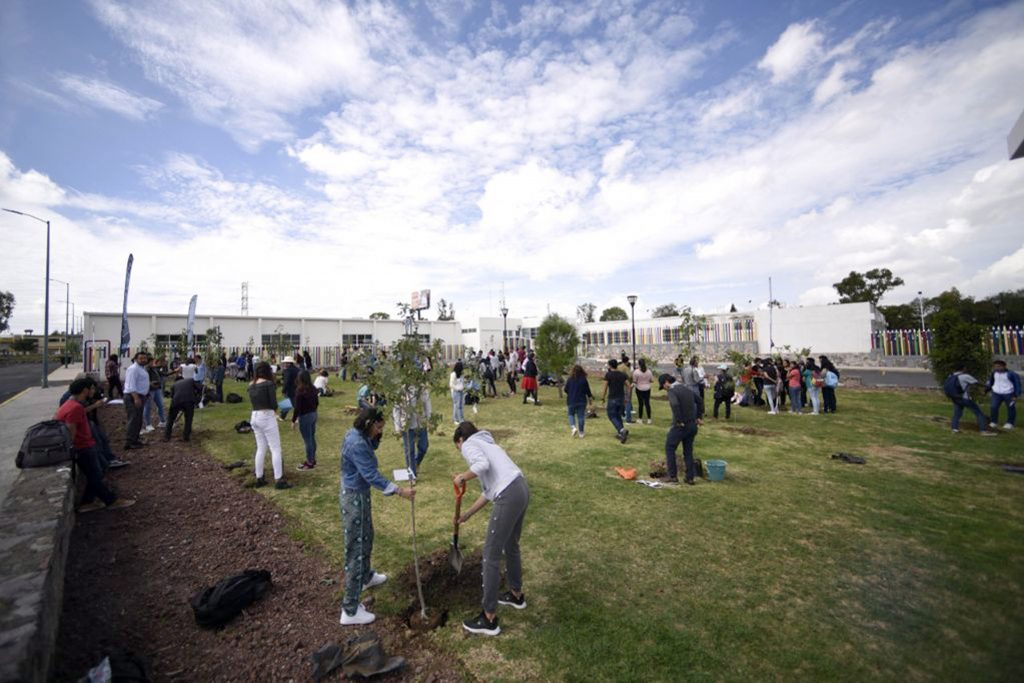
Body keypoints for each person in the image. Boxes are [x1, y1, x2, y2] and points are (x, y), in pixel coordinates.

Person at [452, 421, 530, 636]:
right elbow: (489, 491)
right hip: (520, 488)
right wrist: (467, 514)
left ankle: (488, 618)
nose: (461, 452)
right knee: (510, 545)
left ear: (460, 440)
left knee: (490, 555)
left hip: (508, 494)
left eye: (458, 448)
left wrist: (461, 477)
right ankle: (516, 595)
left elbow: (480, 466)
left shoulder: (469, 444)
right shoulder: (489, 444)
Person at [339, 407, 416, 626]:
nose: (380, 431)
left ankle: (365, 577)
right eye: (379, 427)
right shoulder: (357, 444)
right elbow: (371, 475)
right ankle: (350, 610)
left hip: (358, 493)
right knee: (357, 548)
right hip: (355, 498)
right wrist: (401, 492)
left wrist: (377, 436)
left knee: (367, 536)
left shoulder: (358, 435)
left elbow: (371, 448)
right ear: (369, 424)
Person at [56, 378, 135, 512]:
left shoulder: (72, 404)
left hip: (87, 445)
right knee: (96, 475)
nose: (94, 391)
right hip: (83, 447)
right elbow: (71, 432)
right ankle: (111, 500)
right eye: (92, 388)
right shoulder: (75, 408)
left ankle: (87, 502)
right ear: (85, 390)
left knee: (98, 471)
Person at [248, 361, 294, 488]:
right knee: (275, 448)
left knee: (261, 448)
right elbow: (273, 404)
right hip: (266, 416)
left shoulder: (251, 384)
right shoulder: (268, 384)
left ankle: (259, 477)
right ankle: (278, 479)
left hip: (255, 415)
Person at [659, 373, 703, 485]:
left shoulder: (672, 391)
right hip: (692, 425)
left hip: (681, 426)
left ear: (666, 382)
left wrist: (678, 420)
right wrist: (699, 417)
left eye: (663, 386)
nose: (664, 389)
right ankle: (690, 477)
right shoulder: (686, 388)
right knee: (688, 451)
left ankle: (672, 476)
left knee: (669, 447)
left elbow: (674, 404)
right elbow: (699, 401)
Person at [944, 365, 996, 436]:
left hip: (955, 398)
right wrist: (987, 386)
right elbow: (976, 383)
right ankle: (983, 430)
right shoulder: (965, 376)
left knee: (957, 414)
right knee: (978, 413)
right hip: (964, 398)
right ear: (964, 368)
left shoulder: (950, 376)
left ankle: (954, 429)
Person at [393, 384, 432, 475]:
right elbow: (396, 410)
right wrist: (397, 427)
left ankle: (416, 462)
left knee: (424, 447)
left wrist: (429, 419)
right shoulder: (401, 391)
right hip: (407, 426)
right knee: (409, 450)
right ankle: (412, 474)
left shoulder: (422, 389)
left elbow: (427, 404)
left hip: (420, 424)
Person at [292, 370, 319, 470]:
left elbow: (297, 407)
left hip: (305, 416)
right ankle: (313, 458)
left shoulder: (300, 391)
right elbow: (317, 403)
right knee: (311, 437)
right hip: (313, 414)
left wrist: (293, 420)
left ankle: (309, 462)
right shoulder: (313, 389)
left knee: (307, 439)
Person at [123, 351, 150, 450]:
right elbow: (131, 385)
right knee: (134, 419)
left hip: (140, 396)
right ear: (135, 359)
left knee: (138, 419)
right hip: (133, 396)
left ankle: (135, 438)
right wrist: (136, 398)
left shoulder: (141, 368)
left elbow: (139, 382)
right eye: (141, 358)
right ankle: (130, 442)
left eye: (145, 358)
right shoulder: (133, 369)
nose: (143, 360)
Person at [601, 359, 630, 443]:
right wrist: (627, 397)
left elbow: (605, 387)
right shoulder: (622, 375)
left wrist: (603, 398)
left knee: (611, 415)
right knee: (618, 415)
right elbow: (628, 385)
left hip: (612, 398)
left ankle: (621, 430)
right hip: (621, 398)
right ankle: (621, 433)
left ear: (610, 366)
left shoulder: (608, 375)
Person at [985, 360, 1020, 430]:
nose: (996, 368)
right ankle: (993, 422)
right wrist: (986, 390)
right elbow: (991, 382)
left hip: (1009, 393)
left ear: (1004, 366)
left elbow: (1017, 384)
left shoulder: (1012, 374)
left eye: (998, 366)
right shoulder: (994, 373)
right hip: (996, 393)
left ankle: (1010, 423)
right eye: (995, 367)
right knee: (993, 407)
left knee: (1010, 408)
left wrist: (1015, 395)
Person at [563, 364, 593, 438]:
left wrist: (570, 393)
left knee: (571, 414)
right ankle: (581, 432)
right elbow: (588, 391)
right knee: (581, 416)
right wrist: (590, 398)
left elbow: (565, 389)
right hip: (582, 400)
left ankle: (573, 427)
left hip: (571, 400)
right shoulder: (584, 380)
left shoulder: (570, 379)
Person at [164, 375, 196, 442]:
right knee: (188, 419)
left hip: (176, 401)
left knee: (170, 419)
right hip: (189, 401)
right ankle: (186, 437)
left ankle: (167, 436)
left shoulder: (173, 385)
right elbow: (200, 388)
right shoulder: (190, 380)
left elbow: (172, 396)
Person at [142, 356, 166, 433]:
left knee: (161, 405)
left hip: (157, 389)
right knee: (148, 407)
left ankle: (163, 421)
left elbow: (162, 371)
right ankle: (148, 424)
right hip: (149, 390)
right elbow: (145, 381)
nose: (154, 363)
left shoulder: (154, 368)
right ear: (148, 363)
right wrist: (150, 384)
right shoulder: (145, 370)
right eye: (152, 362)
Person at [632, 359, 654, 424]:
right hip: (647, 388)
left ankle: (640, 419)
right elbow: (652, 380)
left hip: (639, 388)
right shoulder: (649, 372)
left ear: (639, 364)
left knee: (640, 404)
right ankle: (649, 419)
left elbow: (634, 381)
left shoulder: (636, 372)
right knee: (647, 404)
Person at [280, 356, 299, 420]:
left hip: (290, 390)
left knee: (288, 403)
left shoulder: (287, 370)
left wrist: (283, 390)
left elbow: (286, 382)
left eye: (285, 363)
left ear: (288, 363)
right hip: (297, 389)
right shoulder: (297, 369)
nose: (284, 364)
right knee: (294, 403)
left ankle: (282, 416)